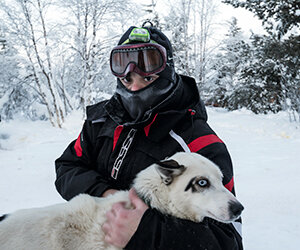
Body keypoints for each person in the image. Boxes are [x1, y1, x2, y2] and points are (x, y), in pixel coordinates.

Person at [55, 23, 243, 250]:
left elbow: (229, 239)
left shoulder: (198, 143)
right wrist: (106, 194)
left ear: (166, 76)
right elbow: (68, 167)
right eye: (127, 80)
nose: (134, 89)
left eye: (147, 79)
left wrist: (146, 232)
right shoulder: (100, 121)